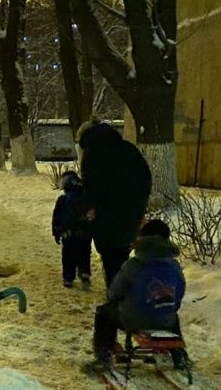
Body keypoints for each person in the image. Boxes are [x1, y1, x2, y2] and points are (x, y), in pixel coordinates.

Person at [91, 219, 187, 370]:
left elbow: (114, 293)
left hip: (133, 320)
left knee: (104, 313)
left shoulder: (134, 264)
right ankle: (179, 355)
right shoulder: (174, 266)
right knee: (172, 317)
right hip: (165, 321)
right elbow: (179, 294)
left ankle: (104, 355)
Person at [76, 120, 152, 286]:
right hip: (131, 212)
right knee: (122, 254)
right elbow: (146, 179)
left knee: (110, 258)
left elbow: (91, 187)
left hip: (106, 216)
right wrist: (139, 206)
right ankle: (122, 294)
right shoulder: (129, 149)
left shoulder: (92, 154)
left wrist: (87, 208)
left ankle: (115, 298)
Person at [52, 171, 92, 288]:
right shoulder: (86, 198)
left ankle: (68, 278)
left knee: (68, 256)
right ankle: (84, 273)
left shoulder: (63, 200)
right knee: (84, 253)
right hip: (84, 234)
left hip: (67, 234)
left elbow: (57, 218)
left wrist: (57, 232)